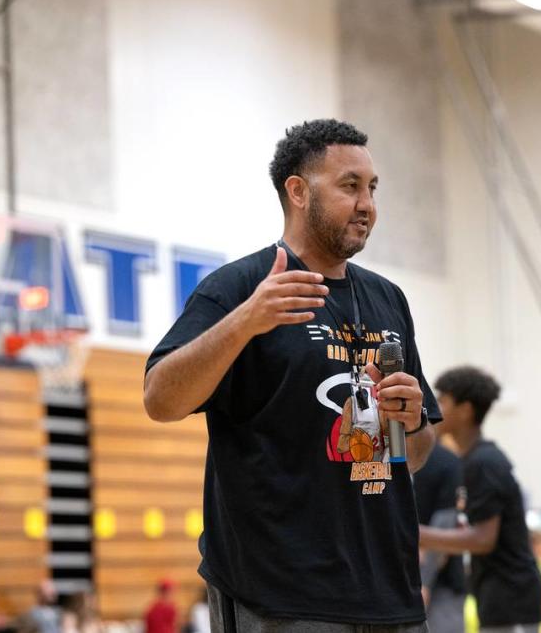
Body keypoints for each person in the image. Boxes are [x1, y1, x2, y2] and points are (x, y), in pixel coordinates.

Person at [144, 119, 441, 631]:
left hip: (389, 594)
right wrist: (245, 322)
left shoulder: (389, 300)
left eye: (372, 188)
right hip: (281, 595)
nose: (367, 203)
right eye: (350, 186)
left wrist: (411, 421)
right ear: (298, 192)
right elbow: (160, 399)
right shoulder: (240, 287)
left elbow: (411, 456)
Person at [419, 366, 541, 632]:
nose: (435, 408)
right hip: (495, 598)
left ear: (465, 410)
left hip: (512, 599)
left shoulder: (485, 462)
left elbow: (483, 539)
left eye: (442, 400)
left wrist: (413, 533)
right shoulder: (469, 461)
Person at [414, 441, 466, 632]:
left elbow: (445, 528)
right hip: (395, 586)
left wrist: (424, 582)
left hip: (443, 586)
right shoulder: (379, 457)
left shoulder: (445, 462)